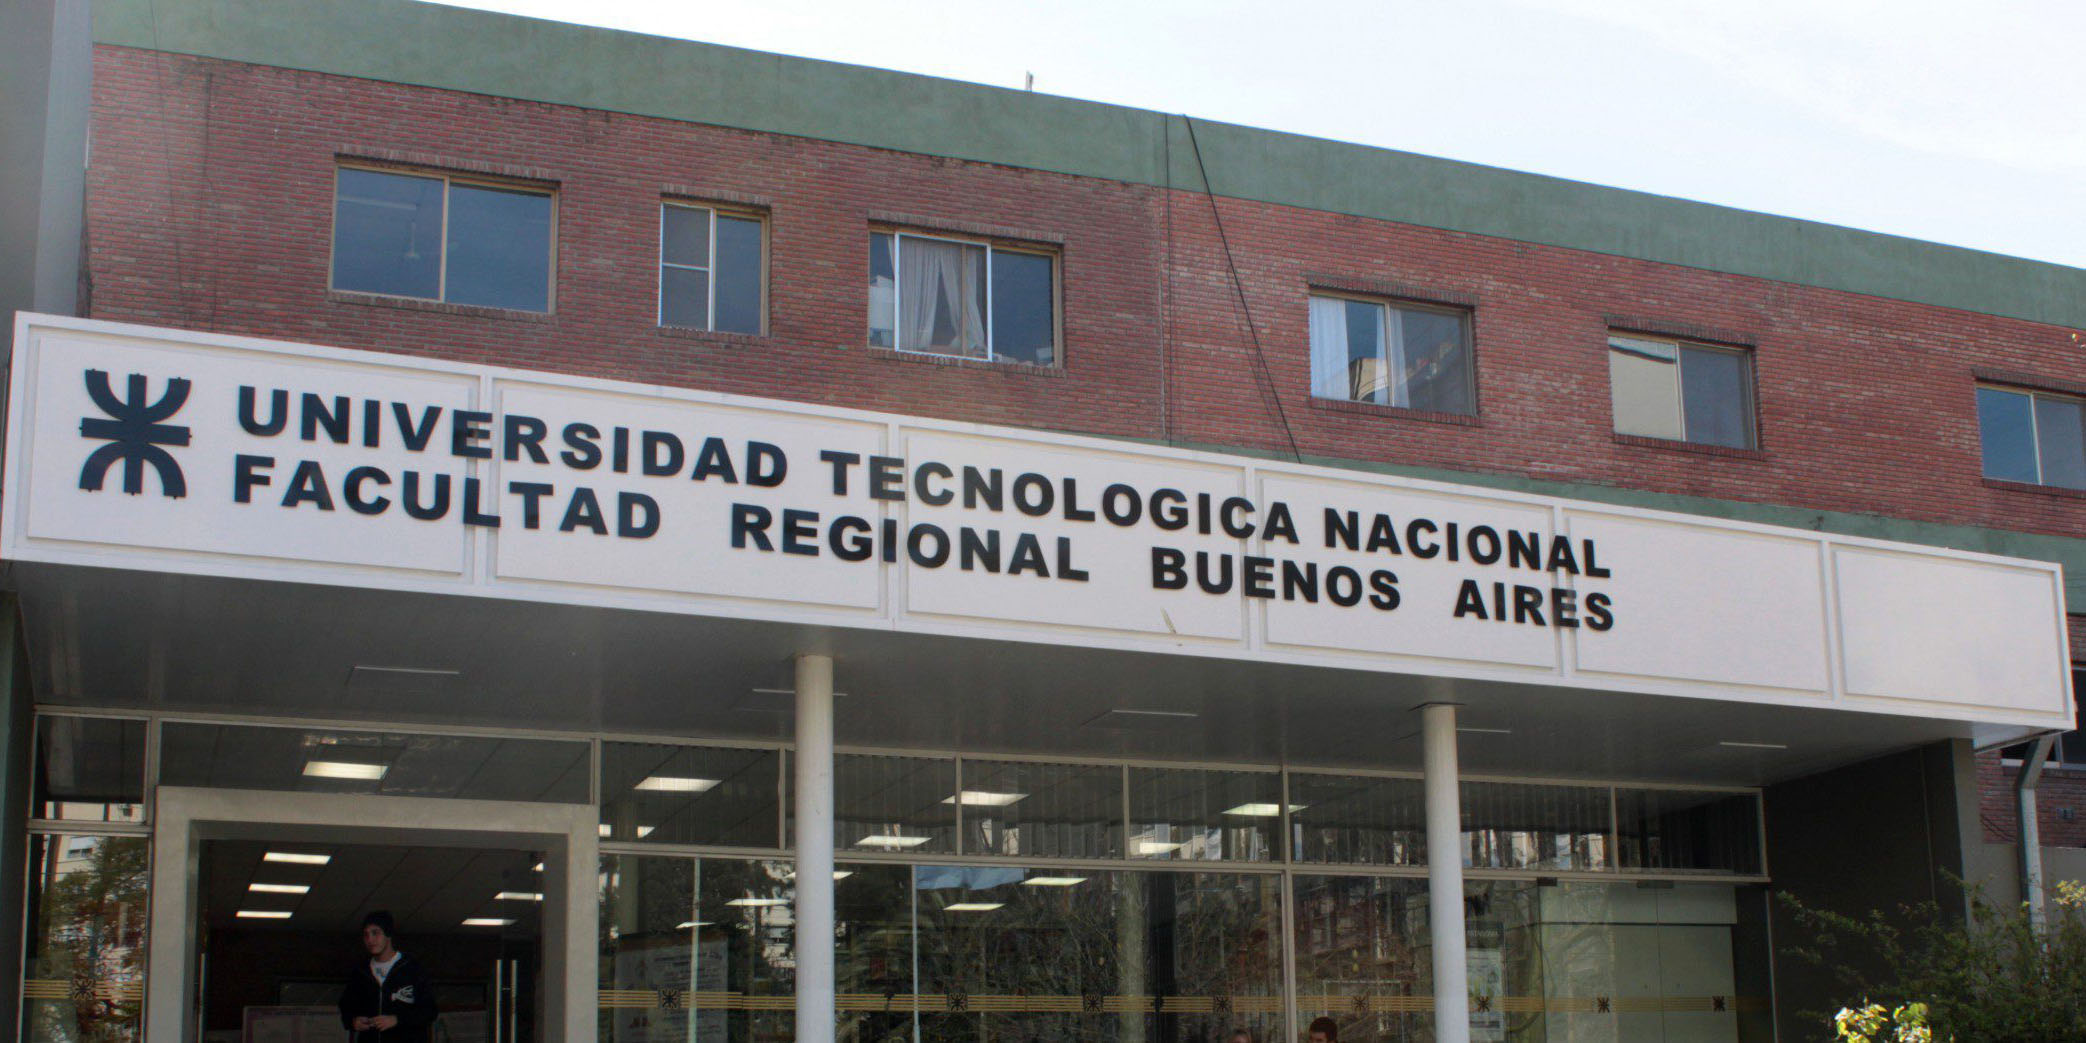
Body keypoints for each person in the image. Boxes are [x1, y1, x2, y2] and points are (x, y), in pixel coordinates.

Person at [339, 910, 439, 1042]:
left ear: (388, 934)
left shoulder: (412, 968)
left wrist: (397, 1020)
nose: (370, 940)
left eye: (375, 933)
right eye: (366, 935)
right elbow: (346, 1005)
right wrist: (353, 1021)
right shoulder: (360, 973)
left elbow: (429, 1011)